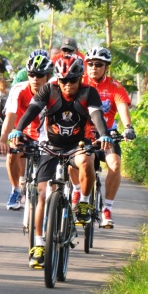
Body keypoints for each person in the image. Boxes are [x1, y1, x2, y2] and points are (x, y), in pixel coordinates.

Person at [9, 54, 112, 268]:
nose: (67, 85)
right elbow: (32, 110)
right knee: (42, 194)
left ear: (79, 79)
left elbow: (96, 116)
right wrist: (18, 130)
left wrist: (102, 134)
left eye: (72, 81)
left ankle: (83, 202)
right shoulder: (49, 89)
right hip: (51, 146)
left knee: (87, 161)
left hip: (77, 145)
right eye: (63, 81)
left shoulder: (88, 93)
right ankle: (38, 245)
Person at [83, 46, 135, 228]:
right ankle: (76, 194)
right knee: (81, 162)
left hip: (108, 135)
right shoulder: (79, 83)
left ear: (106, 67)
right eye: (90, 64)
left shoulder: (115, 87)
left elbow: (122, 108)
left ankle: (107, 208)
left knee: (115, 165)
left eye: (98, 64)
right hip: (85, 135)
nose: (93, 68)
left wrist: (128, 127)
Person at [0, 50, 53, 209]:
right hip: (25, 131)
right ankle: (15, 189)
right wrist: (3, 139)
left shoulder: (55, 90)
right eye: (31, 74)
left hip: (48, 135)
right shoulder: (19, 89)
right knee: (12, 153)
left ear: (48, 76)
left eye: (40, 75)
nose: (35, 79)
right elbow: (11, 116)